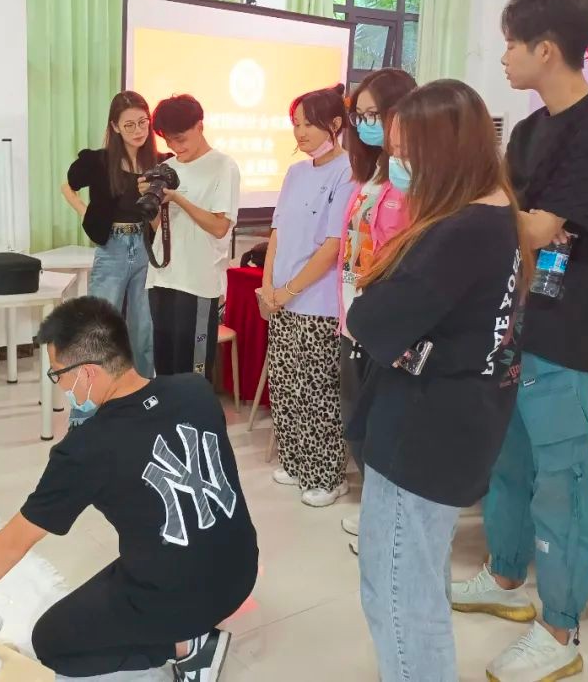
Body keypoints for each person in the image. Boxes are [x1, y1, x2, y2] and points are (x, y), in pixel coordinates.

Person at [0, 297, 258, 681]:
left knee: (51, 640)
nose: (60, 385)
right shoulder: (195, 390)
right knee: (147, 557)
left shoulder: (87, 448)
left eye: (58, 374)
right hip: (241, 569)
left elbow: (13, 542)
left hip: (182, 595)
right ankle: (186, 621)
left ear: (87, 373)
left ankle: (187, 647)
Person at [451, 0, 588, 681]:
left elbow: (534, 228)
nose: (503, 57)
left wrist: (473, 207)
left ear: (546, 49)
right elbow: (516, 217)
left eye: (511, 44)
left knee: (560, 479)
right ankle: (507, 576)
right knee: (507, 460)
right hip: (517, 321)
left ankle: (560, 630)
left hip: (567, 331)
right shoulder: (531, 130)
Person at [347, 80, 529, 682]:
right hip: (457, 426)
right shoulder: (496, 213)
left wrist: (380, 305)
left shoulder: (461, 230)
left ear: (444, 151)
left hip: (422, 438)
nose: (397, 163)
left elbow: (371, 320)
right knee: (416, 584)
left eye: (407, 151)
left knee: (400, 597)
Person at [261, 85, 357, 507]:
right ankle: (297, 463)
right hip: (282, 299)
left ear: (334, 124)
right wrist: (268, 285)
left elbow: (333, 246)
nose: (299, 133)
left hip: (318, 303)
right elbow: (277, 233)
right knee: (285, 386)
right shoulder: (296, 173)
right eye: (295, 124)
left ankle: (327, 476)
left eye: (308, 124)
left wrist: (288, 290)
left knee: (318, 391)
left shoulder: (348, 172)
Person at [336, 68, 417, 551]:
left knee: (385, 432)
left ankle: (389, 523)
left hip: (386, 329)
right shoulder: (369, 175)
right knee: (359, 425)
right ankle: (375, 511)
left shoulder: (414, 178)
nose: (367, 125)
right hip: (353, 319)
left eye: (375, 115)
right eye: (361, 116)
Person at [62, 91, 165, 392]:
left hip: (146, 248)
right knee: (102, 329)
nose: (138, 130)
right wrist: (87, 213)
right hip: (113, 247)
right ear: (115, 126)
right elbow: (67, 186)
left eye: (143, 122)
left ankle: (142, 394)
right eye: (129, 125)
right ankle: (95, 397)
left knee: (143, 329)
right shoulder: (98, 161)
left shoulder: (159, 163)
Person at [146, 94, 240, 379]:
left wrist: (178, 199)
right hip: (162, 278)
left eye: (181, 139)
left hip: (198, 284)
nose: (175, 147)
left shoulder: (223, 166)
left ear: (200, 126)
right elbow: (159, 230)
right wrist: (151, 205)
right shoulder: (169, 169)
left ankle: (193, 411)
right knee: (165, 369)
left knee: (193, 375)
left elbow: (220, 226)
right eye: (168, 141)